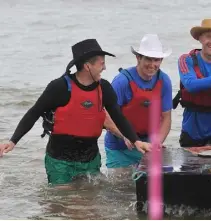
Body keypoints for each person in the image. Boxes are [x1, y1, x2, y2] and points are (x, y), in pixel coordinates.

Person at [0, 39, 151, 187]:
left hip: (90, 159)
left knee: (89, 204)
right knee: (63, 204)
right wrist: (13, 141)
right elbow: (34, 113)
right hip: (60, 160)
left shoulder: (104, 88)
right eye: (101, 63)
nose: (104, 68)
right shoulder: (59, 87)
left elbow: (118, 117)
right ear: (87, 66)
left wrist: (136, 141)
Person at [103, 34, 172, 169]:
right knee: (121, 187)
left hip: (148, 146)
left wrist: (157, 141)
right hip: (120, 147)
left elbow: (166, 118)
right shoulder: (121, 81)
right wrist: (126, 136)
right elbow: (106, 117)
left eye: (156, 60)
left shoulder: (164, 81)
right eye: (148, 59)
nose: (152, 65)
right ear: (138, 58)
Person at [173, 18, 211, 147]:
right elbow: (191, 85)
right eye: (208, 37)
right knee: (190, 167)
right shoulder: (186, 60)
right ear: (200, 38)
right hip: (192, 132)